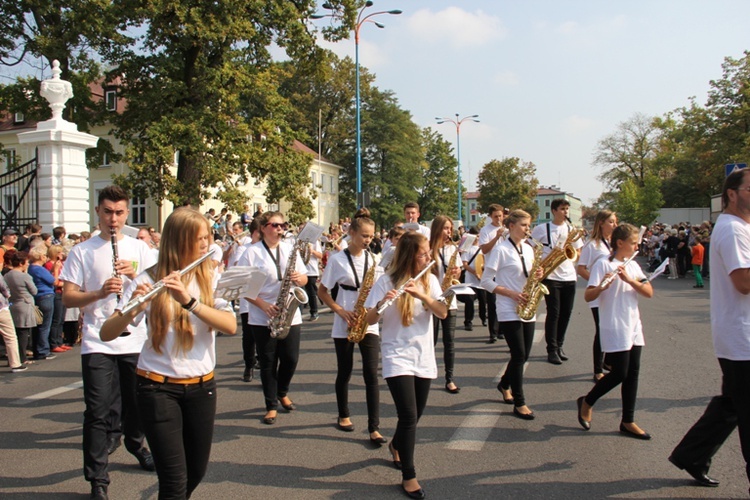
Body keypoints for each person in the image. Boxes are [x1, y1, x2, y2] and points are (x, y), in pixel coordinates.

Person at [100, 207, 237, 500]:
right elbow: (107, 333)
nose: (207, 244)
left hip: (202, 387)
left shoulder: (211, 277)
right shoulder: (148, 278)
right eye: (200, 239)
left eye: (208, 237)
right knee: (173, 481)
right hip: (156, 388)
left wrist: (189, 301)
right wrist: (134, 307)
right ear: (180, 240)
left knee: (196, 472)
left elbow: (230, 326)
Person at [60, 185, 157, 500]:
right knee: (98, 411)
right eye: (107, 212)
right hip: (98, 341)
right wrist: (100, 293)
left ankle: (134, 443)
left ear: (126, 213)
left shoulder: (141, 249)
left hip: (135, 338)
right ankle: (98, 479)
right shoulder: (82, 251)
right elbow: (68, 297)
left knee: (139, 404)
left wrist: (136, 275)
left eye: (119, 213)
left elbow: (159, 288)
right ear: (98, 213)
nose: (113, 219)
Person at [668, 169, 750, 489]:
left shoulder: (741, 228)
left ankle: (692, 454)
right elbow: (743, 282)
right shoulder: (732, 231)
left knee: (731, 404)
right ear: (732, 193)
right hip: (742, 336)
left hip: (739, 334)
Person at [364, 231, 447, 499]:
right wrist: (381, 302)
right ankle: (409, 475)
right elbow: (369, 319)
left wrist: (422, 295)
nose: (428, 258)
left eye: (427, 253)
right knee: (409, 415)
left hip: (423, 354)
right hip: (396, 354)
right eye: (423, 254)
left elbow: (443, 312)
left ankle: (396, 444)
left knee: (415, 415)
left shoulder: (431, 280)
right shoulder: (385, 281)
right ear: (410, 256)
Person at [577, 223, 654, 439]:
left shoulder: (633, 266)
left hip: (633, 324)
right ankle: (587, 401)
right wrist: (602, 287)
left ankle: (627, 420)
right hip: (614, 323)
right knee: (620, 372)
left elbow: (648, 292)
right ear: (620, 243)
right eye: (633, 242)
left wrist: (630, 281)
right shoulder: (603, 264)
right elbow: (588, 295)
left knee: (633, 374)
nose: (637, 245)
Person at [318, 216, 386, 444]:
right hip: (345, 318)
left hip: (368, 319)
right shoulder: (337, 260)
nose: (369, 240)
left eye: (371, 236)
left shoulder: (374, 260)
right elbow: (322, 291)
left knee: (371, 374)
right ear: (353, 234)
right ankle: (344, 414)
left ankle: (374, 427)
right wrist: (340, 311)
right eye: (364, 235)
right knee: (345, 371)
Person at [238, 211, 307, 425]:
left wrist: (300, 278)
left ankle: (282, 391)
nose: (280, 229)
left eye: (282, 225)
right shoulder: (251, 253)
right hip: (262, 314)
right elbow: (242, 287)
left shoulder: (290, 249)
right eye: (275, 225)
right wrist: (263, 305)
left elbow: (305, 278)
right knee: (268, 361)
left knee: (291, 359)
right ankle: (271, 405)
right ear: (263, 228)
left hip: (289, 312)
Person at [481, 210, 542, 420]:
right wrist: (510, 293)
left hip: (527, 306)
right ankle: (520, 401)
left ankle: (504, 384)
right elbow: (486, 281)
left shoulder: (529, 248)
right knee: (518, 355)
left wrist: (538, 275)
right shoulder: (500, 250)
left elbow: (528, 275)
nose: (528, 229)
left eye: (528, 225)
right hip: (508, 307)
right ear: (511, 226)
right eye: (524, 225)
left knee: (524, 355)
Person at [530, 199, 583, 365]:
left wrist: (569, 253)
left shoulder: (571, 229)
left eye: (567, 209)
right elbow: (531, 247)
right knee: (554, 312)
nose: (565, 212)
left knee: (566, 313)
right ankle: (551, 349)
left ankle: (560, 345)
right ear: (554, 211)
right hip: (551, 275)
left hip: (569, 276)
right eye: (562, 209)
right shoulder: (542, 229)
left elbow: (578, 251)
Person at [576, 210, 617, 381]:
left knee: (612, 328)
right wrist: (597, 282)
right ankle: (597, 368)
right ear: (601, 223)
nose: (615, 225)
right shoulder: (592, 244)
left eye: (615, 222)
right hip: (599, 293)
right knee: (601, 329)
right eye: (611, 222)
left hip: (613, 293)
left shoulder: (614, 243)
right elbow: (581, 268)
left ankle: (608, 361)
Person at [429, 215, 462, 394]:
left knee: (450, 342)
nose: (449, 232)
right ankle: (427, 372)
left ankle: (449, 378)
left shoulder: (452, 249)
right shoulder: (427, 249)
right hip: (433, 300)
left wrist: (457, 272)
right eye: (445, 228)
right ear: (437, 229)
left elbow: (457, 275)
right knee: (430, 340)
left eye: (450, 229)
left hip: (450, 300)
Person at [235, 218, 262, 383]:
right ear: (255, 232)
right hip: (248, 299)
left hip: (265, 298)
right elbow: (239, 269)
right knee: (249, 335)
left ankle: (262, 363)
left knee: (264, 335)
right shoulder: (244, 249)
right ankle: (249, 365)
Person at [478, 204, 506, 343]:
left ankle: (502, 330)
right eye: (495, 216)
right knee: (493, 303)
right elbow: (484, 250)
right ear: (490, 217)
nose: (499, 219)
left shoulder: (507, 229)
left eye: (500, 216)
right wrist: (496, 237)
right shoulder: (485, 230)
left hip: (505, 271)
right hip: (492, 270)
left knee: (505, 302)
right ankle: (493, 333)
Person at [4, 252, 36, 370]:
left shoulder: (7, 275)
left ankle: (13, 357)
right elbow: (34, 291)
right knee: (23, 333)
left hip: (13, 304)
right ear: (22, 263)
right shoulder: (25, 276)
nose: (27, 264)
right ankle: (22, 357)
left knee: (14, 333)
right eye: (26, 262)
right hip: (25, 305)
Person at [27, 246, 58, 359]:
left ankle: (37, 349)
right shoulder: (39, 269)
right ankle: (43, 350)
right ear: (41, 256)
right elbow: (53, 281)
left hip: (37, 296)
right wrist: (55, 270)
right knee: (45, 325)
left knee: (38, 325)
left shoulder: (30, 268)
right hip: (46, 296)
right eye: (44, 255)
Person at [460, 227, 486, 332]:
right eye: (475, 236)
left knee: (483, 302)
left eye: (478, 236)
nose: (477, 238)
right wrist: (475, 273)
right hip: (470, 280)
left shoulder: (483, 248)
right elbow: (465, 264)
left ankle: (483, 318)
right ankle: (468, 321)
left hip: (481, 281)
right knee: (469, 301)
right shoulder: (467, 248)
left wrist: (482, 272)